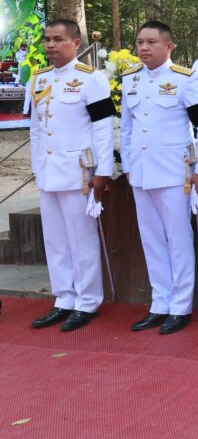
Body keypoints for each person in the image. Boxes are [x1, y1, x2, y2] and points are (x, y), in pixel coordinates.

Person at [119, 21, 198, 335]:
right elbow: (127, 127)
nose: (144, 48)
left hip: (175, 173)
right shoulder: (131, 79)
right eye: (140, 42)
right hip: (141, 172)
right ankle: (160, 303)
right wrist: (128, 166)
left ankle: (180, 306)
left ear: (169, 46)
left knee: (178, 240)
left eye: (151, 42)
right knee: (151, 240)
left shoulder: (184, 80)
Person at [26, 19, 115, 332]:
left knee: (81, 240)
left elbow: (103, 128)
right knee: (55, 240)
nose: (51, 45)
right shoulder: (38, 79)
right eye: (47, 39)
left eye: (58, 39)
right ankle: (64, 297)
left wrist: (103, 171)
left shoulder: (92, 79)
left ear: (76, 43)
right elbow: (36, 130)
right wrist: (37, 168)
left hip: (79, 173)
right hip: (48, 173)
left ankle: (87, 301)